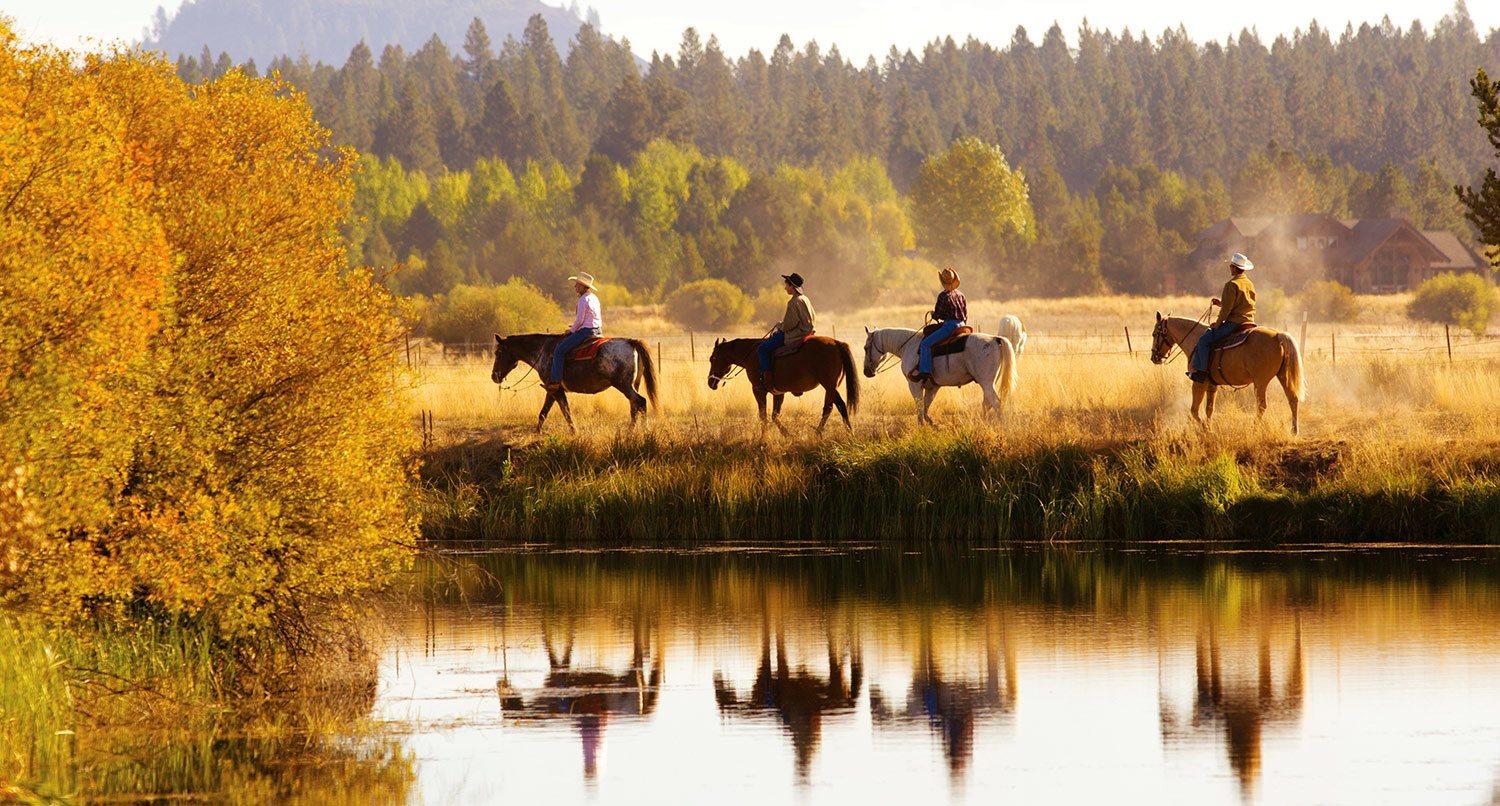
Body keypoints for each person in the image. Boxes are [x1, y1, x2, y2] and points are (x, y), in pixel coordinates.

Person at [1189, 253, 1257, 383]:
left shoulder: (1231, 285)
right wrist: (1221, 303)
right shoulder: (1249, 284)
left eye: (1231, 266)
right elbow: (1240, 303)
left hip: (1234, 323)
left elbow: (1227, 310)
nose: (1230, 268)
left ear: (1234, 268)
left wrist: (1218, 323)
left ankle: (1201, 372)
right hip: (1249, 321)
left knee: (1204, 340)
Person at [757, 273, 815, 392]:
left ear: (792, 286)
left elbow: (788, 325)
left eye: (786, 285)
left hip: (795, 335)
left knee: (763, 348)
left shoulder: (793, 302)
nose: (785, 288)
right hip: (807, 331)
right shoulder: (805, 299)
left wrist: (779, 325)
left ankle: (767, 381)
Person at [546, 271, 603, 391]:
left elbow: (580, 321)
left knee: (559, 350)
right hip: (597, 330)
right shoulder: (594, 298)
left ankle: (555, 381)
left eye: (578, 284)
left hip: (586, 331)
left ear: (584, 286)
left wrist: (571, 331)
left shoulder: (583, 300)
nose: (575, 287)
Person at [909, 267, 967, 383]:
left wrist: (933, 314)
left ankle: (925, 372)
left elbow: (938, 315)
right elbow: (965, 313)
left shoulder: (943, 296)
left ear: (942, 282)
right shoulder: (960, 295)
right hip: (962, 325)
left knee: (925, 344)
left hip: (950, 326)